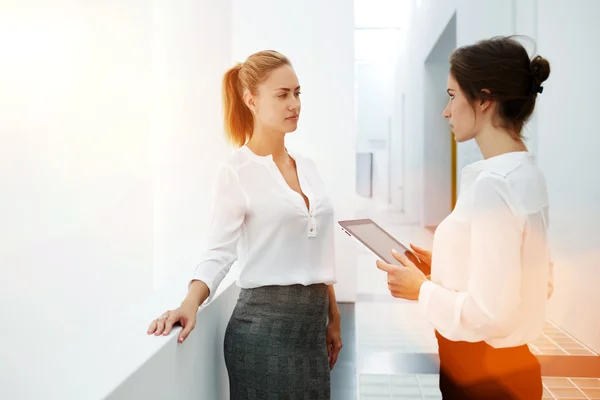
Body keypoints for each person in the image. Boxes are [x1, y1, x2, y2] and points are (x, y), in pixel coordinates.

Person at [146, 50, 342, 399]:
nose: (294, 103)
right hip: (262, 334)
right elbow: (219, 251)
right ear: (251, 100)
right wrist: (189, 303)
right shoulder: (236, 171)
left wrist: (333, 316)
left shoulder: (308, 166)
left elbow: (317, 250)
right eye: (282, 95)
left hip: (311, 331)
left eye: (297, 93)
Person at [376, 36, 552, 399]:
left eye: (453, 95)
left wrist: (421, 289)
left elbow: (491, 314)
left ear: (484, 99)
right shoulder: (524, 173)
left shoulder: (495, 186)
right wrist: (443, 268)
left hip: (484, 378)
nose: (446, 110)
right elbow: (525, 276)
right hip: (507, 372)